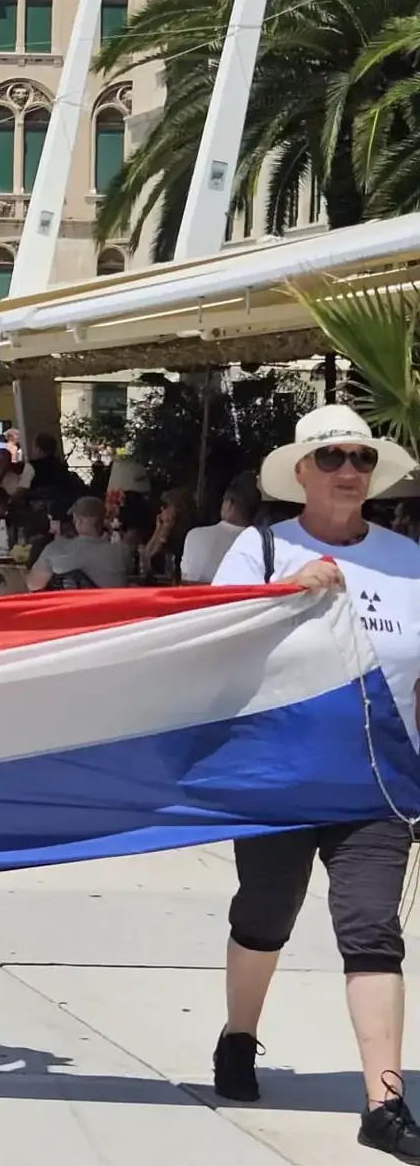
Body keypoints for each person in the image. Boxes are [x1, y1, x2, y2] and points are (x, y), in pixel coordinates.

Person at [211, 405, 420, 1160]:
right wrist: (285, 593)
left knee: (372, 928)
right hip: (279, 775)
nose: (348, 471)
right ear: (301, 472)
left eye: (360, 458)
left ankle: (384, 1101)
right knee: (266, 912)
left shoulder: (408, 561)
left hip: (379, 783)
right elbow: (212, 639)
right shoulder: (260, 547)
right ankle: (239, 1037)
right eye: (331, 458)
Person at [27, 496, 129, 590]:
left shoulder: (59, 549)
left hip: (75, 607)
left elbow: (33, 585)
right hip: (113, 607)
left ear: (78, 521)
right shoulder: (121, 552)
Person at [183, 472, 260, 584]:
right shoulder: (260, 543)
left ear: (228, 504)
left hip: (198, 598)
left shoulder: (195, 535)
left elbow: (185, 578)